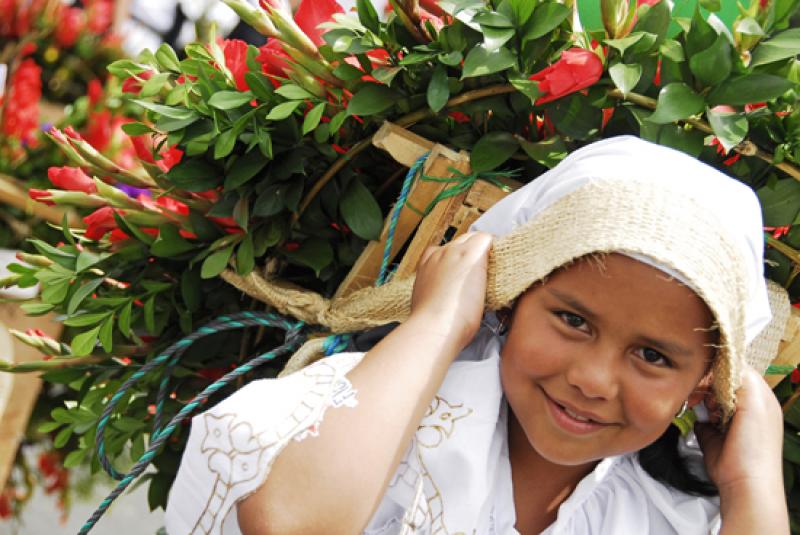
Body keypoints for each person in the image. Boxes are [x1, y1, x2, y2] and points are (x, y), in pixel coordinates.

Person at [163, 136, 789, 535]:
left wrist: (751, 484)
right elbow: (290, 527)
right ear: (511, 299)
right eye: (572, 320)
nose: (592, 380)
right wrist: (435, 325)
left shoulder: (679, 519)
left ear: (702, 384)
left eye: (652, 356)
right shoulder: (365, 414)